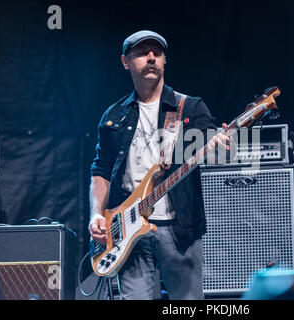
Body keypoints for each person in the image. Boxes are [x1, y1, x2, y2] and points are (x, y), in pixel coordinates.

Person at [88, 30, 229, 300]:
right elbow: (101, 170)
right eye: (142, 52)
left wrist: (220, 146)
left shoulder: (190, 108)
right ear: (125, 61)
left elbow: (212, 152)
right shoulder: (114, 115)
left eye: (157, 53)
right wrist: (97, 214)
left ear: (164, 61)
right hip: (128, 231)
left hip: (179, 230)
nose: (151, 57)